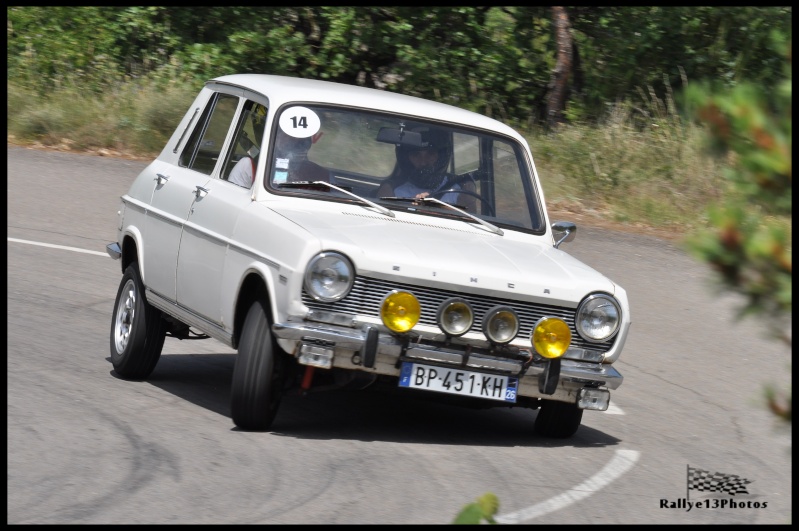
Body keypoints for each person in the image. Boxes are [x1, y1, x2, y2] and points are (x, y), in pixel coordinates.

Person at [376, 126, 475, 210]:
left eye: (430, 154)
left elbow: (472, 223)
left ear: (441, 157)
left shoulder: (459, 188)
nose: (423, 162)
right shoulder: (392, 189)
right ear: (407, 159)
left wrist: (438, 207)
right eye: (415, 155)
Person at [229, 129, 330, 188]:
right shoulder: (249, 166)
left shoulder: (319, 174)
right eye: (286, 135)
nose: (295, 142)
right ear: (274, 136)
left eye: (302, 142)